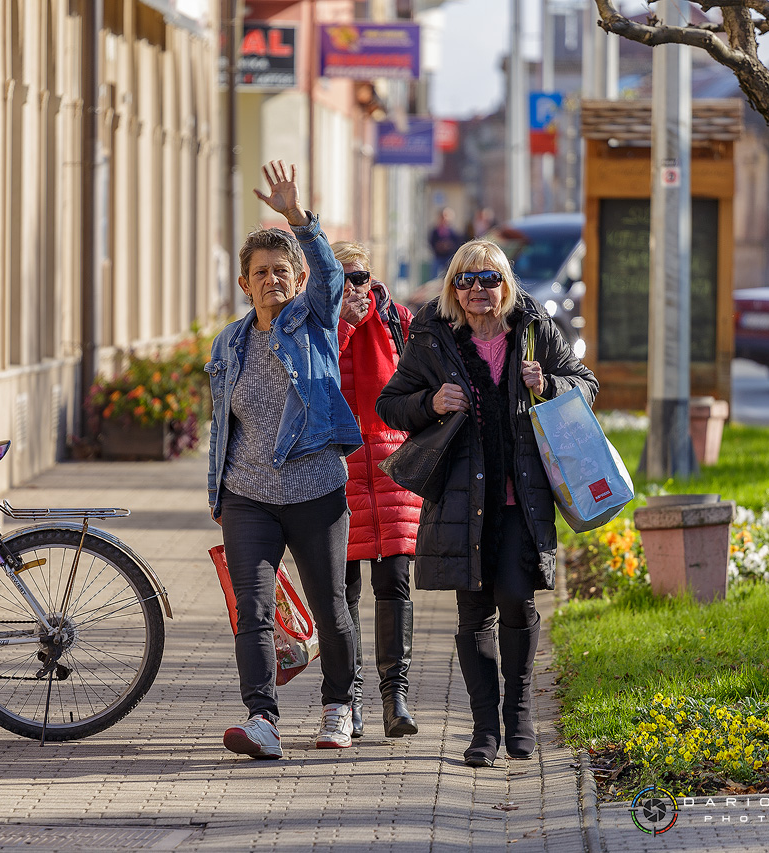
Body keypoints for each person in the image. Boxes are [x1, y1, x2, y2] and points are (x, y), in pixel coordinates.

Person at [374, 239, 597, 767]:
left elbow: (586, 387)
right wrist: (430, 402)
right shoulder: (432, 337)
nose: (478, 289)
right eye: (466, 280)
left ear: (506, 285)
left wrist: (551, 383)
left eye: (489, 279)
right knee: (473, 614)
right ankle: (484, 731)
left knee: (518, 603)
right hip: (461, 500)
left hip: (522, 500)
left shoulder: (535, 329)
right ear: (454, 288)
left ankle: (518, 718)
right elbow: (389, 406)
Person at [207, 161, 363, 759]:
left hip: (316, 488)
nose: (272, 280)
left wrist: (298, 219)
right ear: (245, 283)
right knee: (252, 607)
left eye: (281, 271)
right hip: (248, 493)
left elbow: (329, 272)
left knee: (330, 604)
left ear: (297, 280)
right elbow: (225, 425)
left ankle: (338, 708)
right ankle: (262, 719)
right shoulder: (229, 343)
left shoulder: (315, 320)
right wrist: (219, 496)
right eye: (260, 273)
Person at [331, 240, 421, 740]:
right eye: (341, 277)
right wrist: (341, 323)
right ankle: (351, 698)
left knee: (394, 585)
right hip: (336, 475)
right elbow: (314, 379)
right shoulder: (316, 327)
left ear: (374, 277)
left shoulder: (399, 322)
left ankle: (396, 698)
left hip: (392, 473)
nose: (353, 287)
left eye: (360, 276)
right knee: (341, 595)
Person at [427, 208, 463, 279]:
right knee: (434, 275)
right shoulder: (435, 231)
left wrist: (449, 246)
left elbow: (456, 243)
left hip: (449, 257)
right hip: (438, 257)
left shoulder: (453, 232)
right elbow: (431, 242)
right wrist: (439, 246)